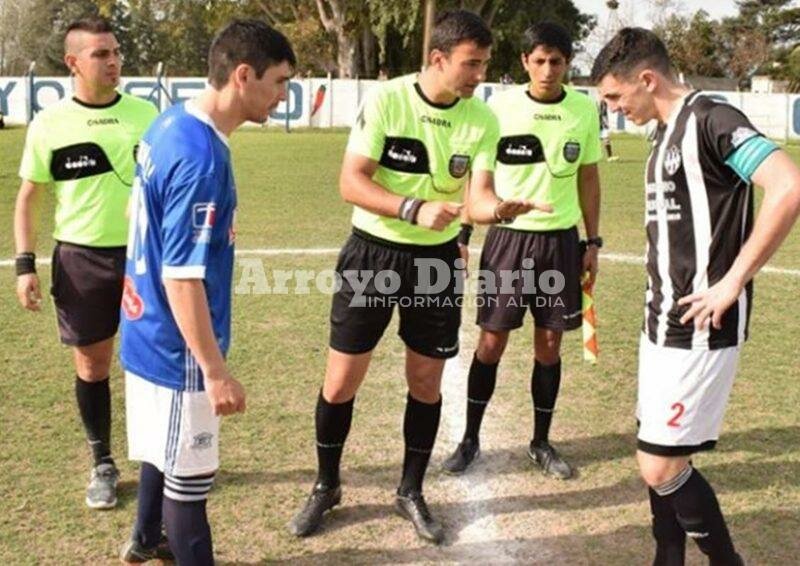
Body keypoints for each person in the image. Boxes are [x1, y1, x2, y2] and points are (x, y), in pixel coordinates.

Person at [288, 10, 548, 544]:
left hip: (434, 265)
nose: (479, 75)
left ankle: (410, 490)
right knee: (341, 381)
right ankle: (326, 484)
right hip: (372, 255)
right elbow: (351, 182)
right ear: (438, 59)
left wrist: (497, 209)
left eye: (483, 64)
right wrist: (411, 209)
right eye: (470, 64)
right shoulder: (388, 100)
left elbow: (474, 197)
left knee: (425, 382)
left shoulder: (483, 119)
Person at [591, 28, 800, 565]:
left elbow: (788, 185)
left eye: (615, 98)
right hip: (659, 319)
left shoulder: (712, 118)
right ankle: (669, 557)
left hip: (699, 325)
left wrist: (732, 281)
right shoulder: (662, 133)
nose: (614, 111)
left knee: (659, 465)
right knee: (658, 447)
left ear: (647, 79)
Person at [117, 20, 295, 564]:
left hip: (144, 328)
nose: (285, 95)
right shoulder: (201, 157)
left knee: (162, 447)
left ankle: (146, 538)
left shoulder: (170, 122)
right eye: (280, 82)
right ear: (244, 76)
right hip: (177, 348)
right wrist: (214, 371)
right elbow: (182, 275)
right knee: (191, 481)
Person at [442, 22, 602, 480]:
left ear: (568, 63)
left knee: (549, 345)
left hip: (560, 241)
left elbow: (589, 178)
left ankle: (541, 441)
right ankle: (470, 438)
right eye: (539, 60)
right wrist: (465, 233)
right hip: (509, 240)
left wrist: (592, 241)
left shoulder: (584, 110)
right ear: (524, 62)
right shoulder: (499, 109)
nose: (548, 70)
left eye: (556, 61)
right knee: (491, 341)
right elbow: (479, 177)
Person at [13, 16, 158, 510]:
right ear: (73, 62)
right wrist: (24, 264)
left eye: (115, 51)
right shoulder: (49, 124)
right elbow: (29, 197)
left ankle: (160, 461)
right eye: (101, 54)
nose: (113, 61)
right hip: (80, 259)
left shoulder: (147, 113)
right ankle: (103, 463)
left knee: (154, 359)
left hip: (144, 256)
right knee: (93, 365)